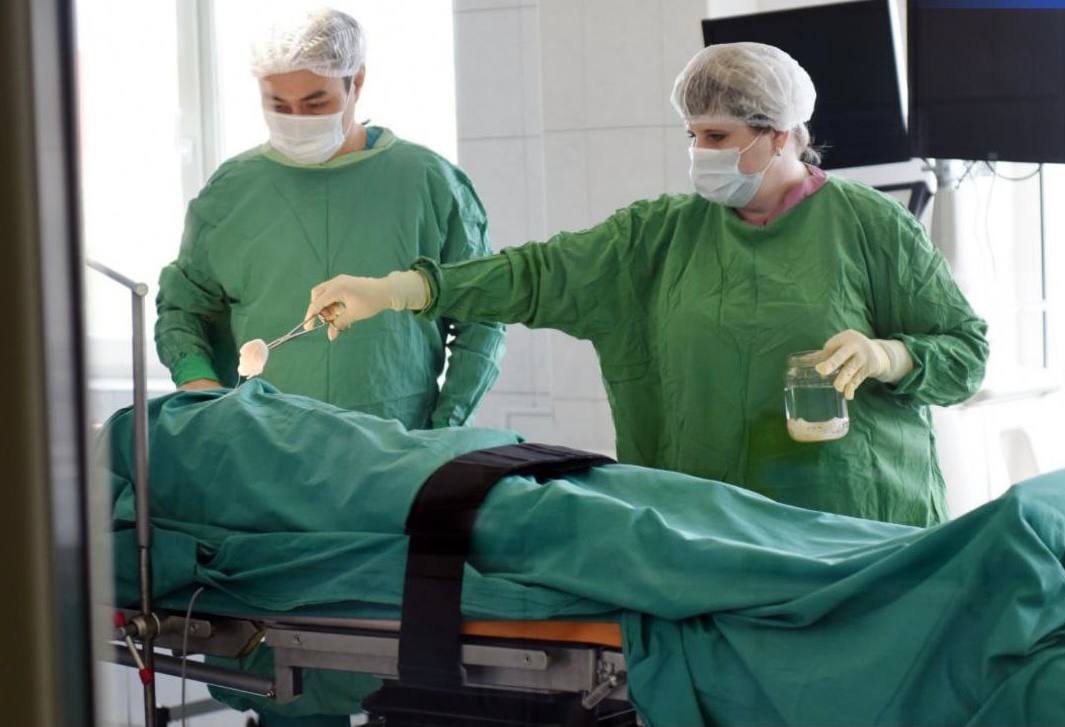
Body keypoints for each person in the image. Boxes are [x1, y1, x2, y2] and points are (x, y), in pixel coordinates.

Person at [303, 42, 989, 527]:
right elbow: (538, 273)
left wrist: (888, 356)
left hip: (855, 523)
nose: (699, 152)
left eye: (717, 136)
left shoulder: (869, 225)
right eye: (693, 134)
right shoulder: (659, 236)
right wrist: (399, 290)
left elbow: (965, 353)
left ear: (779, 135)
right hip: (708, 529)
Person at [155, 7, 505, 431]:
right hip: (259, 444)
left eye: (315, 103)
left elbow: (483, 315)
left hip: (397, 448)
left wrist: (443, 431)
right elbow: (183, 307)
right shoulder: (232, 190)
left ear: (356, 82)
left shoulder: (429, 183)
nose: (296, 120)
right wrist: (200, 387)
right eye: (278, 105)